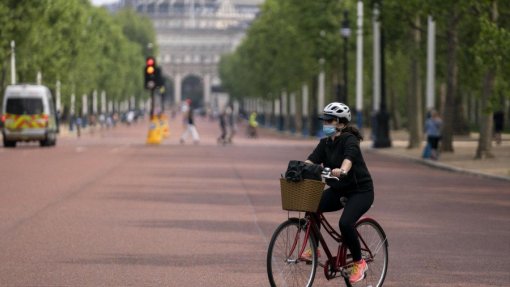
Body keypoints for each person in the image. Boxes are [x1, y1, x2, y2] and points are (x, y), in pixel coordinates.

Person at [304, 102, 374, 284]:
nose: (325, 123)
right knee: (312, 204)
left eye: (330, 120)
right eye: (324, 120)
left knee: (345, 223)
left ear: (341, 123)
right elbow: (311, 160)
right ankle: (313, 249)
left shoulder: (349, 140)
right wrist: (300, 168)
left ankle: (359, 262)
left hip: (360, 191)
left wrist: (342, 170)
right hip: (339, 189)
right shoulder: (325, 143)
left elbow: (349, 158)